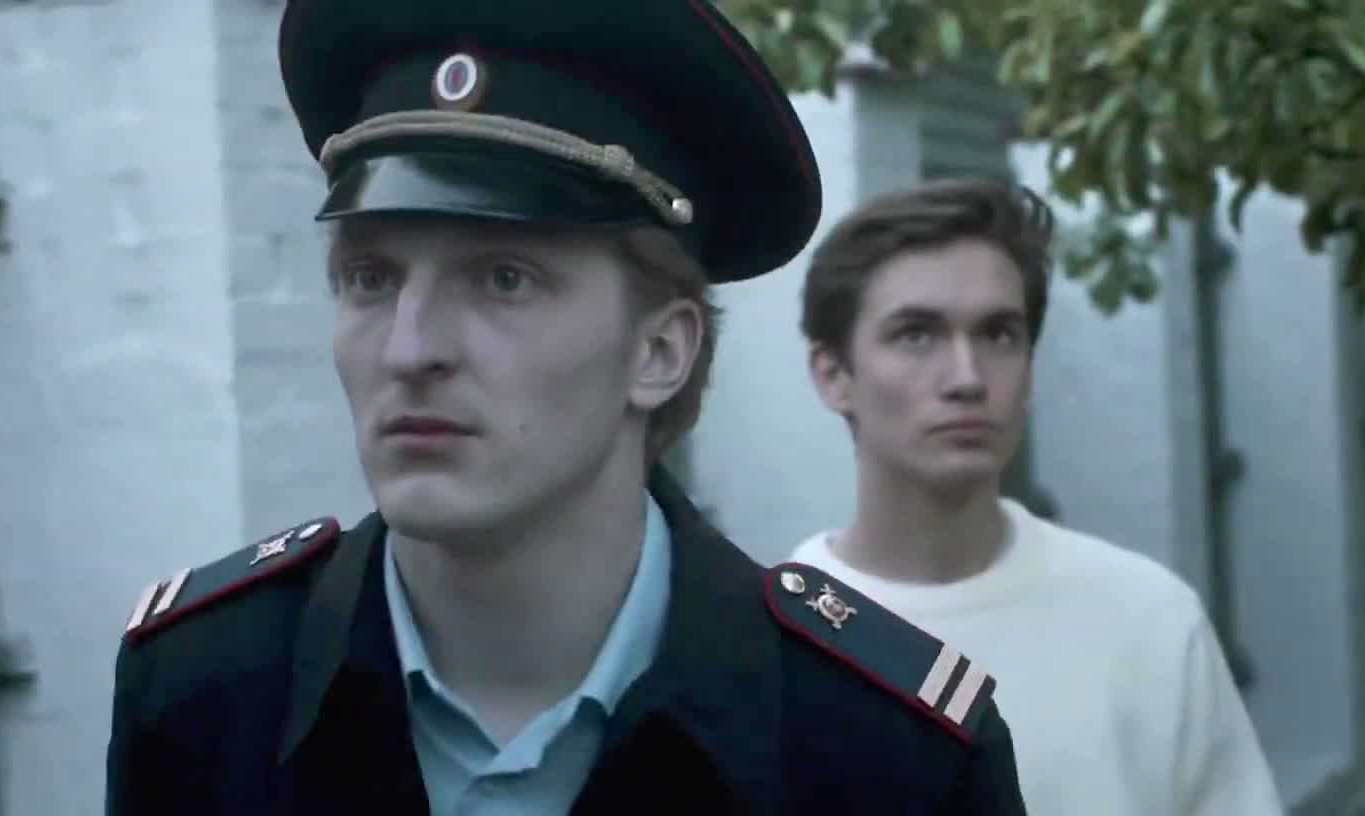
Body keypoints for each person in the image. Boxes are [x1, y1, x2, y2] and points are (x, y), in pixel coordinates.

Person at [103, 2, 1031, 814]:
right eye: (371, 277)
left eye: (503, 278)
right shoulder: (204, 689)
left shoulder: (882, 756)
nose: (410, 348)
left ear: (659, 352)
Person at [786, 176, 1284, 815]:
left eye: (998, 334)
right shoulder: (769, 645)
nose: (967, 378)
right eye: (916, 334)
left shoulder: (1151, 620)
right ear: (833, 375)